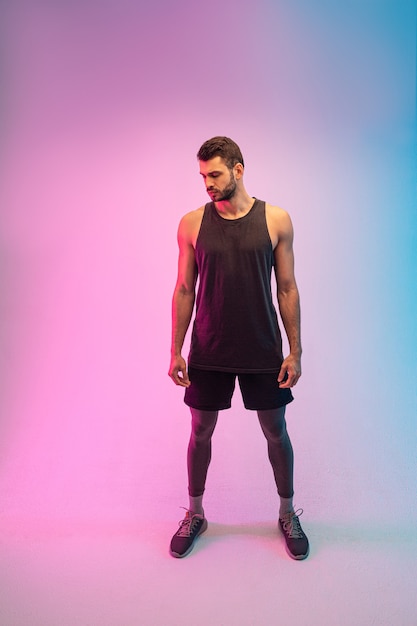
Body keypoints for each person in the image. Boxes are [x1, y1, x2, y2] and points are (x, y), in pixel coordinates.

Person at [168, 136, 309, 560]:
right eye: (202, 176)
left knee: (275, 430)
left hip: (262, 348)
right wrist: (176, 350)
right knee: (201, 430)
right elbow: (184, 289)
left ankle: (286, 513)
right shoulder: (192, 223)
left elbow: (287, 288)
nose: (207, 184)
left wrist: (295, 351)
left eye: (214, 174)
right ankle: (195, 513)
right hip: (208, 347)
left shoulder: (276, 219)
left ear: (238, 169)